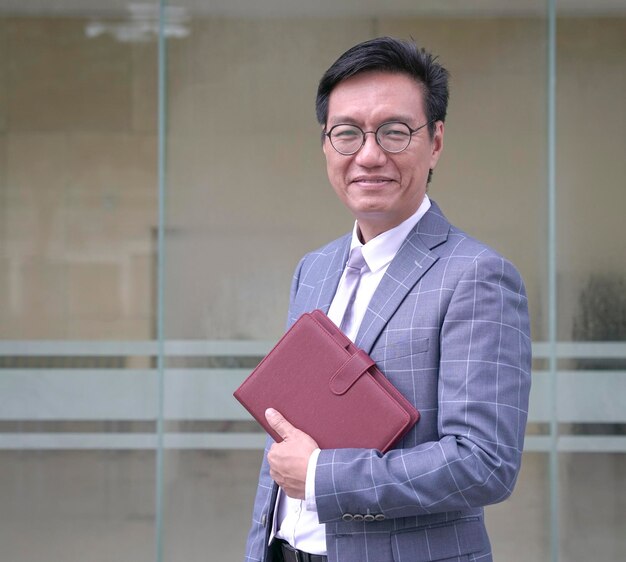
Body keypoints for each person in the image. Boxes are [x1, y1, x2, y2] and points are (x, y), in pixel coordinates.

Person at [244, 36, 531, 562]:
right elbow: (288, 432)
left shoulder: (477, 276)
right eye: (347, 133)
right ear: (326, 145)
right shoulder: (315, 268)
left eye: (395, 132)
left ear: (436, 142)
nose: (369, 155)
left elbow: (486, 462)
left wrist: (321, 476)